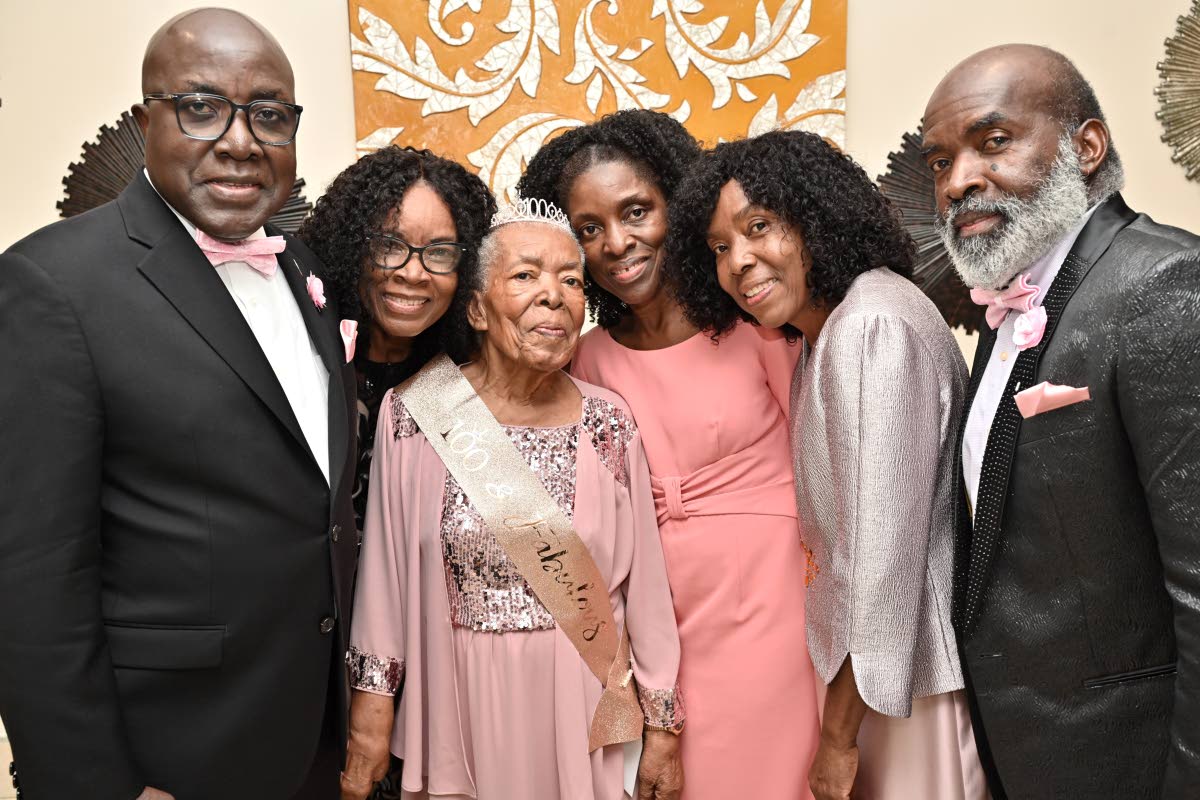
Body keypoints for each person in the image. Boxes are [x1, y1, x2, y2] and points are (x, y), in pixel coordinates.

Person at [0, 10, 357, 800]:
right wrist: (102, 785)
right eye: (202, 107)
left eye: (269, 114)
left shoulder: (303, 269)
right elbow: (31, 578)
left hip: (313, 740)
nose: (240, 140)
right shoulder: (52, 284)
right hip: (168, 757)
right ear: (145, 119)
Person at [666, 129, 987, 800]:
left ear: (816, 220)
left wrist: (837, 738)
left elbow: (881, 559)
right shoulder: (833, 327)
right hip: (881, 680)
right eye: (721, 248)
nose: (740, 263)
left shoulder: (869, 326)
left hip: (903, 686)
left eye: (760, 228)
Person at [920, 44, 1200, 798]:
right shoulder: (1008, 308)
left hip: (1134, 764)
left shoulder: (1165, 285)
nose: (959, 182)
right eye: (940, 162)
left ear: (1085, 146)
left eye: (994, 141)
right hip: (1031, 756)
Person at [340, 196, 686, 800]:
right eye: (526, 275)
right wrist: (370, 723)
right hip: (457, 702)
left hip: (581, 709)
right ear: (476, 306)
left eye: (572, 280)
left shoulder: (608, 422)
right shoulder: (417, 414)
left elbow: (647, 588)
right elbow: (383, 586)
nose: (555, 295)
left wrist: (663, 725)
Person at [518, 110, 821, 798]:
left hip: (769, 607)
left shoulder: (755, 323)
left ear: (677, 204)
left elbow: (824, 467)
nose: (617, 243)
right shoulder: (585, 360)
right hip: (660, 622)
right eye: (589, 229)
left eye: (636, 212)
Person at [299, 145, 496, 536]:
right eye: (389, 245)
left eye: (439, 252)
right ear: (352, 248)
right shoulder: (302, 360)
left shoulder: (474, 384)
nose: (413, 272)